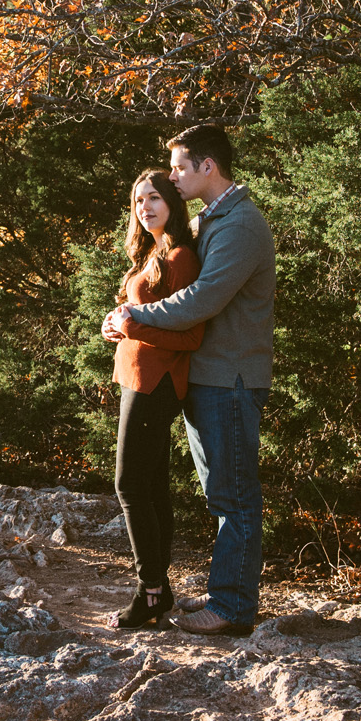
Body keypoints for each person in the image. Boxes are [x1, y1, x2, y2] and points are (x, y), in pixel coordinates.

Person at [103, 123, 275, 637]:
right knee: (219, 491)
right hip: (208, 377)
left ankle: (233, 608)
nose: (173, 176)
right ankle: (225, 592)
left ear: (208, 167)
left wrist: (134, 316)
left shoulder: (240, 225)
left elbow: (202, 300)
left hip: (232, 377)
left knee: (235, 495)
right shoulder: (211, 221)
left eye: (179, 167)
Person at [107, 170, 205, 628]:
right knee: (152, 487)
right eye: (138, 200)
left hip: (158, 380)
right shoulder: (153, 252)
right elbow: (137, 316)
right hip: (137, 375)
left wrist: (130, 326)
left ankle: (150, 591)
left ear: (172, 202)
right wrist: (113, 325)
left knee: (128, 486)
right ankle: (159, 590)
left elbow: (190, 334)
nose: (145, 207)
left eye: (154, 198)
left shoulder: (182, 256)